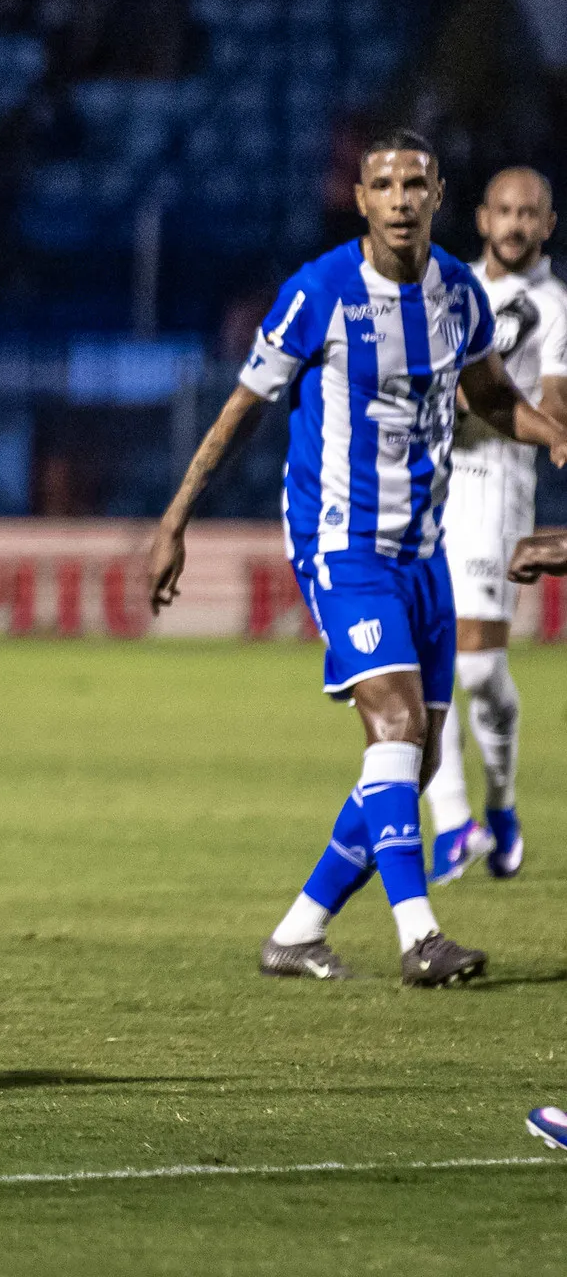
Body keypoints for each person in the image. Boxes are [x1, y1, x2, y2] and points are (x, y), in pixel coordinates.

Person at [147, 131, 567, 986]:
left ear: (438, 194)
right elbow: (240, 411)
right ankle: (419, 937)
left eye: (416, 182)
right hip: (340, 544)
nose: (402, 198)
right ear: (362, 199)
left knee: (406, 766)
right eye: (384, 184)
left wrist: (552, 431)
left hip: (426, 549)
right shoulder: (319, 292)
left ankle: (297, 932)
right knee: (397, 725)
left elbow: (490, 396)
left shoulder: (457, 292)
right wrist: (174, 519)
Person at [423, 168, 566, 883]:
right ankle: (454, 825)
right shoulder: (447, 291)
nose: (513, 223)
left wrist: (534, 425)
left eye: (528, 213)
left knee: (477, 669)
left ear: (547, 224)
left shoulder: (555, 305)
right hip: (427, 490)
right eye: (502, 210)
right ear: (480, 218)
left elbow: (554, 401)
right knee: (424, 662)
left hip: (496, 491)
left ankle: (501, 802)